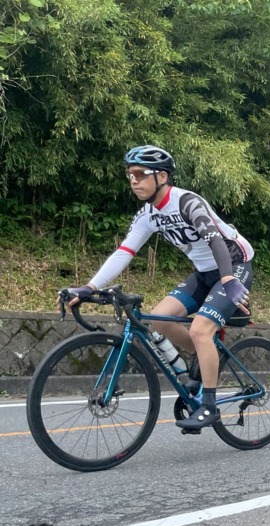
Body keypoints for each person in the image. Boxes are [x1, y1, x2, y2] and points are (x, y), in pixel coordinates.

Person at [65, 145, 254, 430]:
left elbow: (216, 241)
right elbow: (124, 251)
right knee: (156, 318)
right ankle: (206, 358)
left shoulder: (188, 203)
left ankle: (210, 405)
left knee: (200, 329)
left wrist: (228, 280)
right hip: (203, 272)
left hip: (234, 264)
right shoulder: (148, 215)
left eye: (140, 174)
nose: (134, 181)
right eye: (130, 175)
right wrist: (89, 286)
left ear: (162, 176)